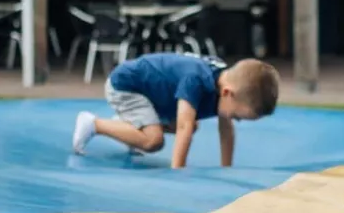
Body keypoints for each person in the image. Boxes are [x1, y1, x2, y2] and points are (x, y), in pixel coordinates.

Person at [72, 53, 280, 169]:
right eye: (237, 116)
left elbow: (226, 131)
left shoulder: (225, 83)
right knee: (154, 141)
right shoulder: (196, 80)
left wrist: (226, 171)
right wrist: (177, 175)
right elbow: (183, 127)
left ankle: (131, 125)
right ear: (227, 93)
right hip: (127, 86)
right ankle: (94, 124)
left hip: (155, 97)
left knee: (192, 124)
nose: (234, 120)